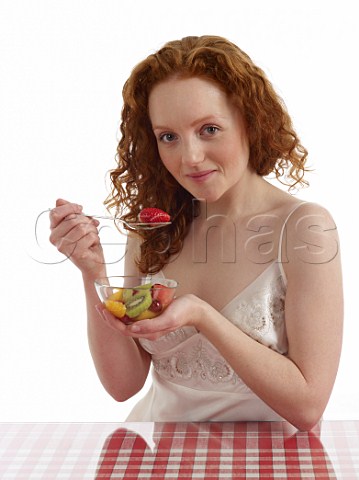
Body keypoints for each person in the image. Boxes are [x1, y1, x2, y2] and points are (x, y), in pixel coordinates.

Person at [49, 35, 343, 430]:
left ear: (250, 120)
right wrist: (93, 274)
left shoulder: (305, 229)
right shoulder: (154, 230)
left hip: (269, 461)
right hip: (163, 459)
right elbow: (123, 385)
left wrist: (203, 316)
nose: (189, 158)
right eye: (168, 137)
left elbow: (308, 406)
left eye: (208, 129)